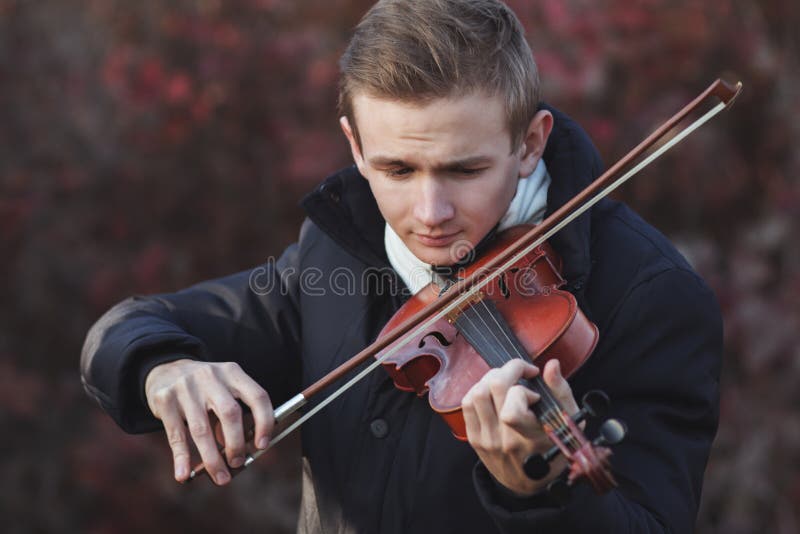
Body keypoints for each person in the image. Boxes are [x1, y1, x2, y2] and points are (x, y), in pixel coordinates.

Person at [80, 0, 722, 532]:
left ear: (529, 144)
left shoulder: (648, 295)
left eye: (465, 170)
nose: (429, 212)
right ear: (355, 148)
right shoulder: (340, 249)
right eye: (397, 169)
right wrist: (162, 368)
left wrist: (541, 495)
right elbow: (131, 327)